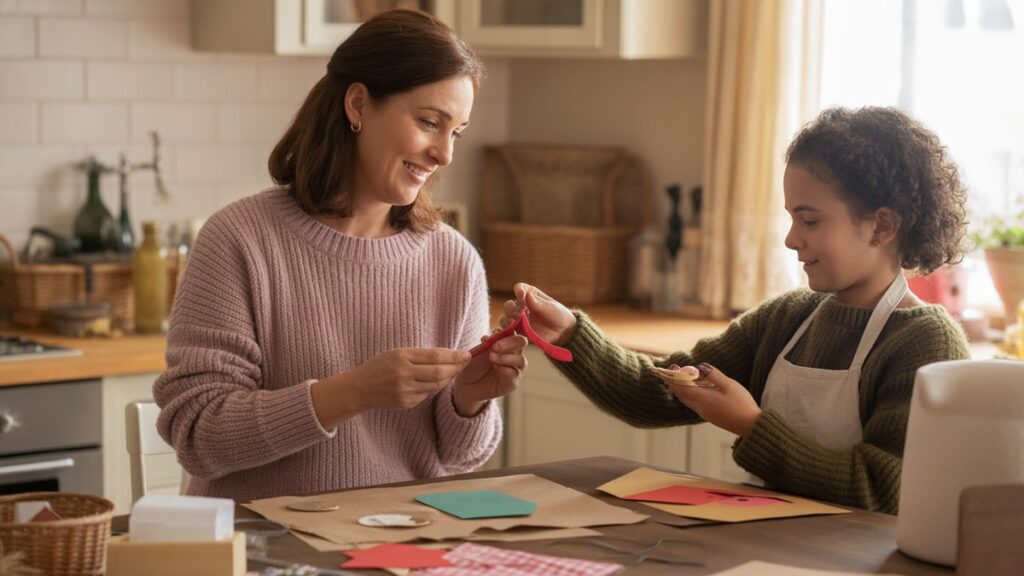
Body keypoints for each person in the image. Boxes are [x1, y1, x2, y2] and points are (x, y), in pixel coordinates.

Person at [499, 107, 971, 514]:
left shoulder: (924, 343)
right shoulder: (786, 320)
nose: (791, 239)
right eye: (790, 219)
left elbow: (882, 490)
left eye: (809, 220)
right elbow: (664, 391)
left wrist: (750, 426)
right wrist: (569, 334)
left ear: (882, 226)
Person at [154, 9, 526, 500]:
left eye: (455, 132)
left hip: (403, 545)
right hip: (261, 551)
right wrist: (351, 392)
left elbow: (460, 458)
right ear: (358, 105)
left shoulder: (453, 261)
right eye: (429, 123)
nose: (444, 154)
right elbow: (198, 434)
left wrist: (469, 399)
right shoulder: (240, 240)